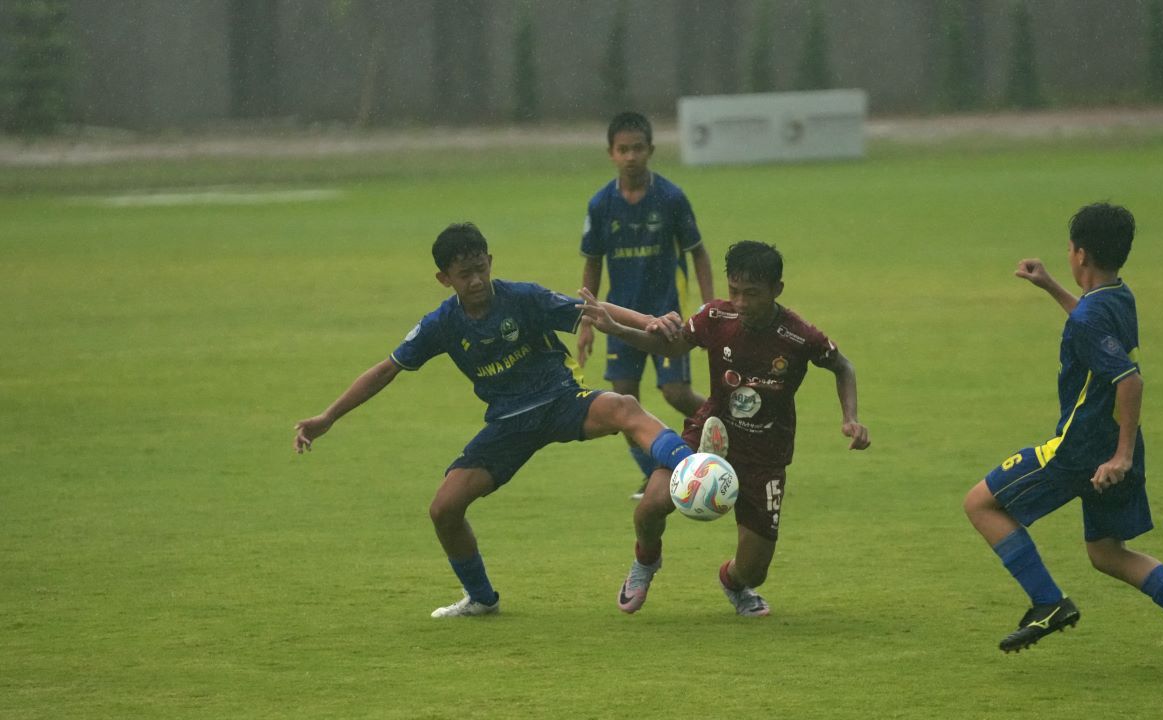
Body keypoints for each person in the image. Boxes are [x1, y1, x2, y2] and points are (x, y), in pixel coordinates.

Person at [293, 222, 695, 618]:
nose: (476, 281)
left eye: (480, 268)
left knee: (624, 406)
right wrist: (328, 416)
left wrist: (648, 321)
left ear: (490, 261)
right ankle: (481, 598)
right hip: (508, 425)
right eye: (464, 274)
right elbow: (386, 369)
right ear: (443, 278)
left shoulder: (522, 297)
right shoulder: (442, 324)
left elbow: (592, 310)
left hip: (560, 400)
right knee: (443, 510)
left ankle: (690, 468)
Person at [962, 203, 1163, 672]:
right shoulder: (1118, 297)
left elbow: (1130, 379)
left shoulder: (1091, 317)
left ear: (1080, 254)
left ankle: (1048, 602)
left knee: (980, 504)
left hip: (1081, 449)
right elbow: (1091, 324)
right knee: (1106, 553)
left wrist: (1121, 457)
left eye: (1068, 250)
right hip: (1110, 445)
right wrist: (1050, 286)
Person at [578, 240, 871, 617]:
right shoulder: (717, 318)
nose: (741, 302)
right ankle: (646, 561)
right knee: (649, 508)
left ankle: (733, 582)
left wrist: (850, 417)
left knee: (754, 571)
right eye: (734, 291)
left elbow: (842, 366)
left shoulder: (798, 336)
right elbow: (669, 349)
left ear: (777, 290)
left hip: (766, 455)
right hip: (710, 433)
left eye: (752, 294)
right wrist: (616, 328)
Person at [578, 111, 715, 500]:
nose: (631, 156)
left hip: (667, 317)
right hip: (620, 321)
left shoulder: (670, 198)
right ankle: (658, 472)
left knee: (675, 393)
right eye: (623, 150)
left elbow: (698, 253)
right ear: (611, 154)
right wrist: (586, 323)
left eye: (638, 148)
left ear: (651, 150)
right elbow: (592, 262)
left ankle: (729, 430)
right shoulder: (601, 205)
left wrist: (709, 307)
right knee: (622, 401)